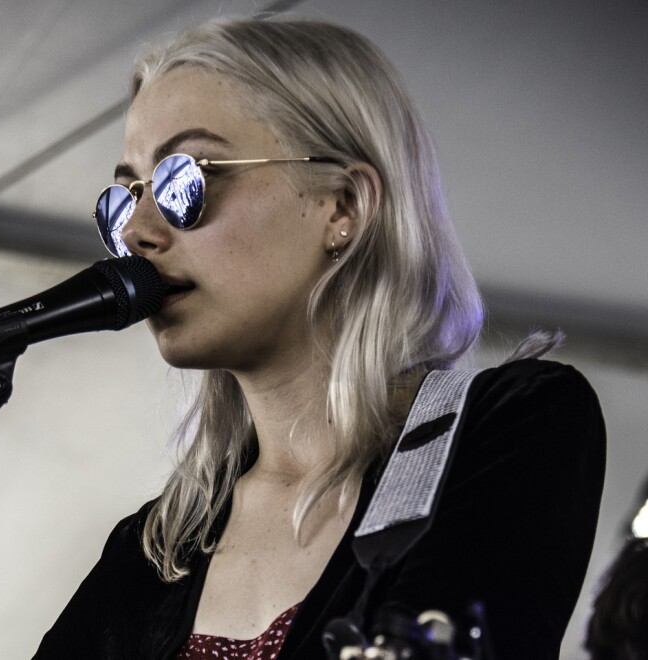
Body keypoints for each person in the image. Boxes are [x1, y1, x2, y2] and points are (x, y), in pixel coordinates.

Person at [33, 15, 605, 659]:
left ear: (343, 206)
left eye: (183, 182)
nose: (138, 234)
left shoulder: (510, 426)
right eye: (126, 197)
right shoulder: (155, 550)